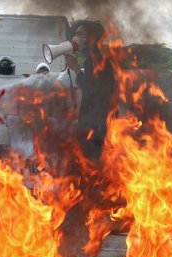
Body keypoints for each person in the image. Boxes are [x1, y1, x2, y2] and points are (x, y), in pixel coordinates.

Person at [64, 19, 116, 161]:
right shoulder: (98, 58)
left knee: (91, 165)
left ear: (91, 38)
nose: (75, 38)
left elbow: (91, 89)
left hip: (95, 126)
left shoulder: (96, 59)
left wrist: (75, 68)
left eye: (80, 34)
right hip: (98, 123)